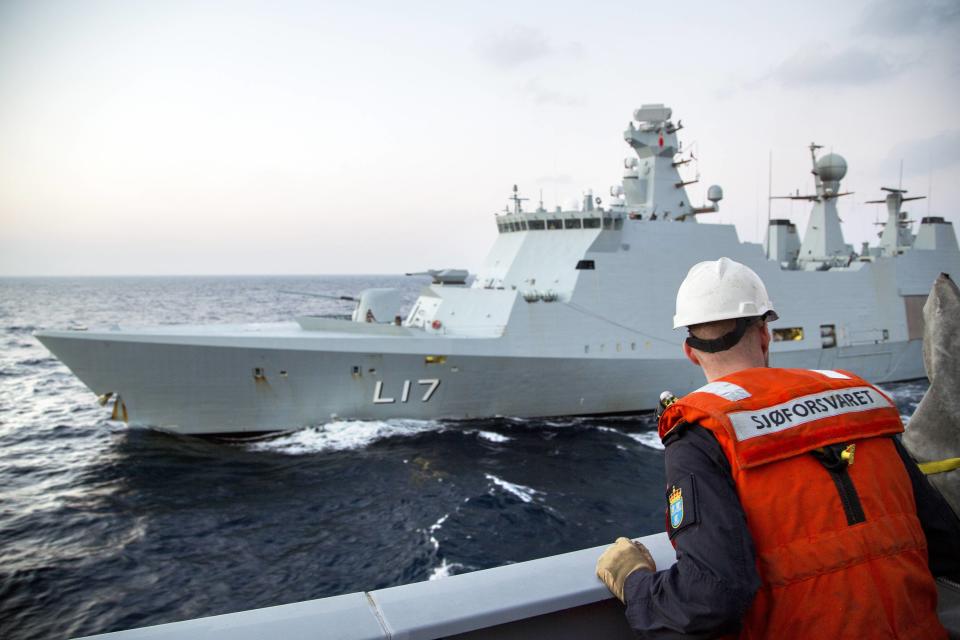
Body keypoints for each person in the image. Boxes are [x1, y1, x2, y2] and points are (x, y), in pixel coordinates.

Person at [595, 257, 960, 639]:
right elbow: (946, 544)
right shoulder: (859, 401)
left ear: (690, 350)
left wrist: (633, 581)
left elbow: (709, 600)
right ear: (765, 334)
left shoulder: (701, 432)